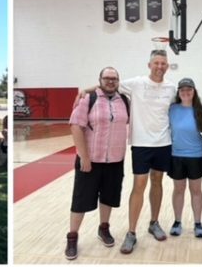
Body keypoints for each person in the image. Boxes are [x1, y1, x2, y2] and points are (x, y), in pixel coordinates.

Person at [64, 67, 129, 260]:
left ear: (118, 81)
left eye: (114, 78)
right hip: (90, 160)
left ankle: (104, 228)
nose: (110, 81)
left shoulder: (124, 100)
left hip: (115, 160)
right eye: (107, 78)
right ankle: (72, 236)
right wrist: (84, 157)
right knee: (81, 200)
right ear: (99, 79)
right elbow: (75, 125)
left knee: (108, 197)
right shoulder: (88, 99)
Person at [118, 50, 176, 254]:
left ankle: (154, 222)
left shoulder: (172, 88)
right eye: (156, 63)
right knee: (139, 184)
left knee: (157, 181)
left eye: (163, 63)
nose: (160, 66)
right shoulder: (136, 83)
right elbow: (110, 83)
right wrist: (85, 90)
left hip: (163, 142)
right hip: (141, 143)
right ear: (149, 65)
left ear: (167, 66)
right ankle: (131, 233)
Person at [167, 78, 202, 238]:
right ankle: (177, 221)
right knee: (178, 190)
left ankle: (198, 223)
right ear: (178, 92)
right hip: (176, 155)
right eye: (182, 90)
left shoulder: (200, 110)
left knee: (196, 190)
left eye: (188, 89)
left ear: (193, 91)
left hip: (196, 155)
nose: (185, 92)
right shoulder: (172, 109)